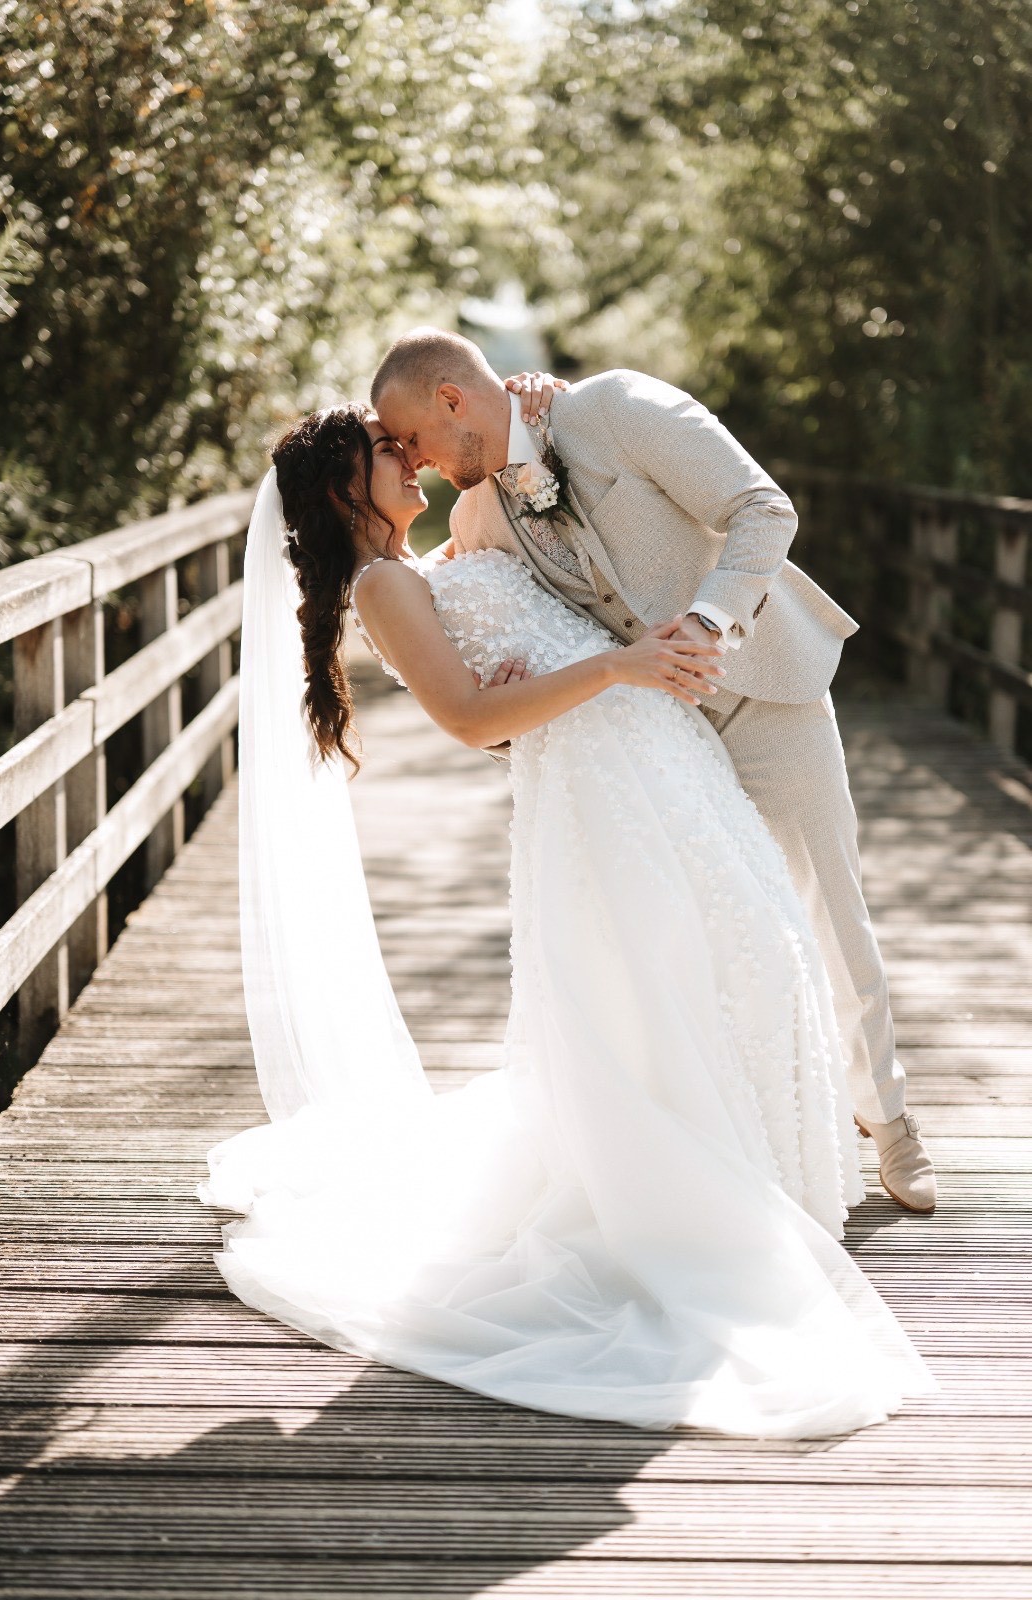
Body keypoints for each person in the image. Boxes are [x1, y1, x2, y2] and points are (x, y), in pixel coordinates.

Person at [196, 381, 939, 1440]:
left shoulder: (447, 541)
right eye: (386, 449)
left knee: (749, 944)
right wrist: (614, 668)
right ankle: (692, 1183)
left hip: (652, 743)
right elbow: (469, 718)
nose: (409, 455)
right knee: (668, 974)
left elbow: (515, 607)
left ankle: (782, 1152)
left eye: (408, 435)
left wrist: (532, 414)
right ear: (344, 488)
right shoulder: (382, 585)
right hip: (606, 772)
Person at [371, 330, 937, 1216]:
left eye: (414, 439)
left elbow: (764, 508)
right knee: (718, 936)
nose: (415, 462)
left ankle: (890, 1120)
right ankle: (764, 1138)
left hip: (765, 689)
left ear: (452, 400)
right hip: (658, 743)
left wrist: (710, 621)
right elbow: (454, 644)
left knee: (829, 902)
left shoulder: (616, 408)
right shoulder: (478, 520)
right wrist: (505, 712)